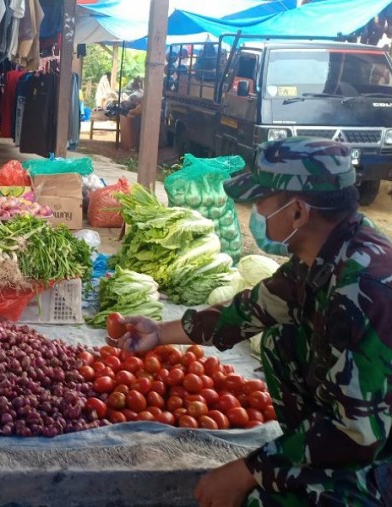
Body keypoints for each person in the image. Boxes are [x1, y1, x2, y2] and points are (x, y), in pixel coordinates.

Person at [107, 137, 392, 506]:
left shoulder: (361, 289)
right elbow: (251, 309)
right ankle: (306, 454)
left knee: (261, 500)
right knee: (281, 342)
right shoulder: (331, 251)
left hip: (374, 447)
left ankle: (330, 477)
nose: (255, 211)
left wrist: (250, 470)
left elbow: (356, 431)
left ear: (298, 212)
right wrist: (159, 333)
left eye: (261, 202)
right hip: (361, 424)